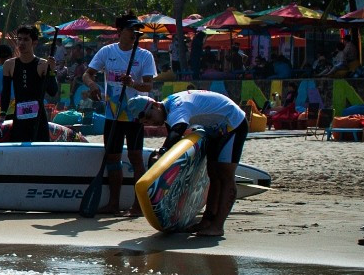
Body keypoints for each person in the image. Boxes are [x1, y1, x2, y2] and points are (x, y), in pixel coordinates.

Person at [137, 90, 248, 237]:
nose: (152, 123)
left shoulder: (178, 106)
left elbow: (177, 130)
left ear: (156, 105)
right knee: (213, 173)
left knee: (225, 175)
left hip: (233, 124)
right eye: (146, 123)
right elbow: (174, 133)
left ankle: (218, 226)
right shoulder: (169, 108)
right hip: (215, 128)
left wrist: (161, 153)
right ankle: (207, 220)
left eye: (150, 117)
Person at [86, 15, 159, 215]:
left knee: (136, 158)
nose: (134, 35)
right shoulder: (107, 52)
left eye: (137, 31)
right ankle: (114, 203)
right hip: (113, 115)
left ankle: (138, 205)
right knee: (112, 158)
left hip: (135, 116)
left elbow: (149, 85)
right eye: (130, 30)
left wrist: (133, 84)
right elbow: (87, 74)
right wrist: (93, 86)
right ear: (120, 32)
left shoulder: (144, 56)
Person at [0, 25, 57, 143]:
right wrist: (2, 114)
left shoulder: (42, 64)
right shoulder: (9, 65)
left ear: (34, 43)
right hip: (20, 121)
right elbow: (5, 92)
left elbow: (53, 91)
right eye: (19, 39)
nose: (21, 43)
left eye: (26, 39)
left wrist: (51, 71)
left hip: (38, 120)